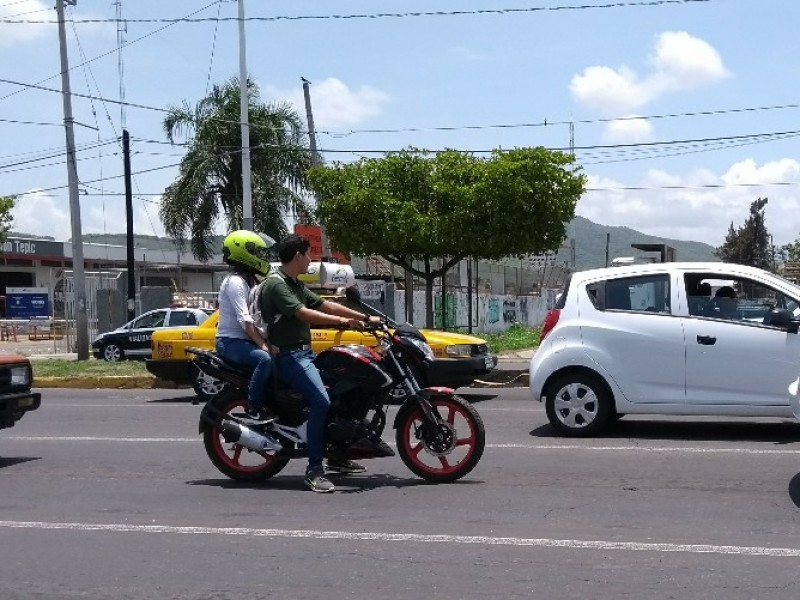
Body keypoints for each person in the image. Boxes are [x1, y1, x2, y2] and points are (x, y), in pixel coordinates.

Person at [259, 233, 379, 493]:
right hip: (289, 356)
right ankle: (314, 469)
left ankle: (337, 453)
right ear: (297, 256)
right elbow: (303, 313)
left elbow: (325, 305)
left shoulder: (295, 283)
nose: (311, 260)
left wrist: (365, 318)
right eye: (308, 254)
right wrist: (344, 323)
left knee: (343, 390)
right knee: (321, 401)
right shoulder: (277, 284)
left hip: (305, 354)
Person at [215, 230, 276, 421]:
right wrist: (264, 346)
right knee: (264, 359)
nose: (260, 257)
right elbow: (245, 321)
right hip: (230, 342)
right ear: (244, 253)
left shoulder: (249, 281)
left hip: (243, 341)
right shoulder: (235, 282)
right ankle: (253, 408)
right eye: (256, 252)